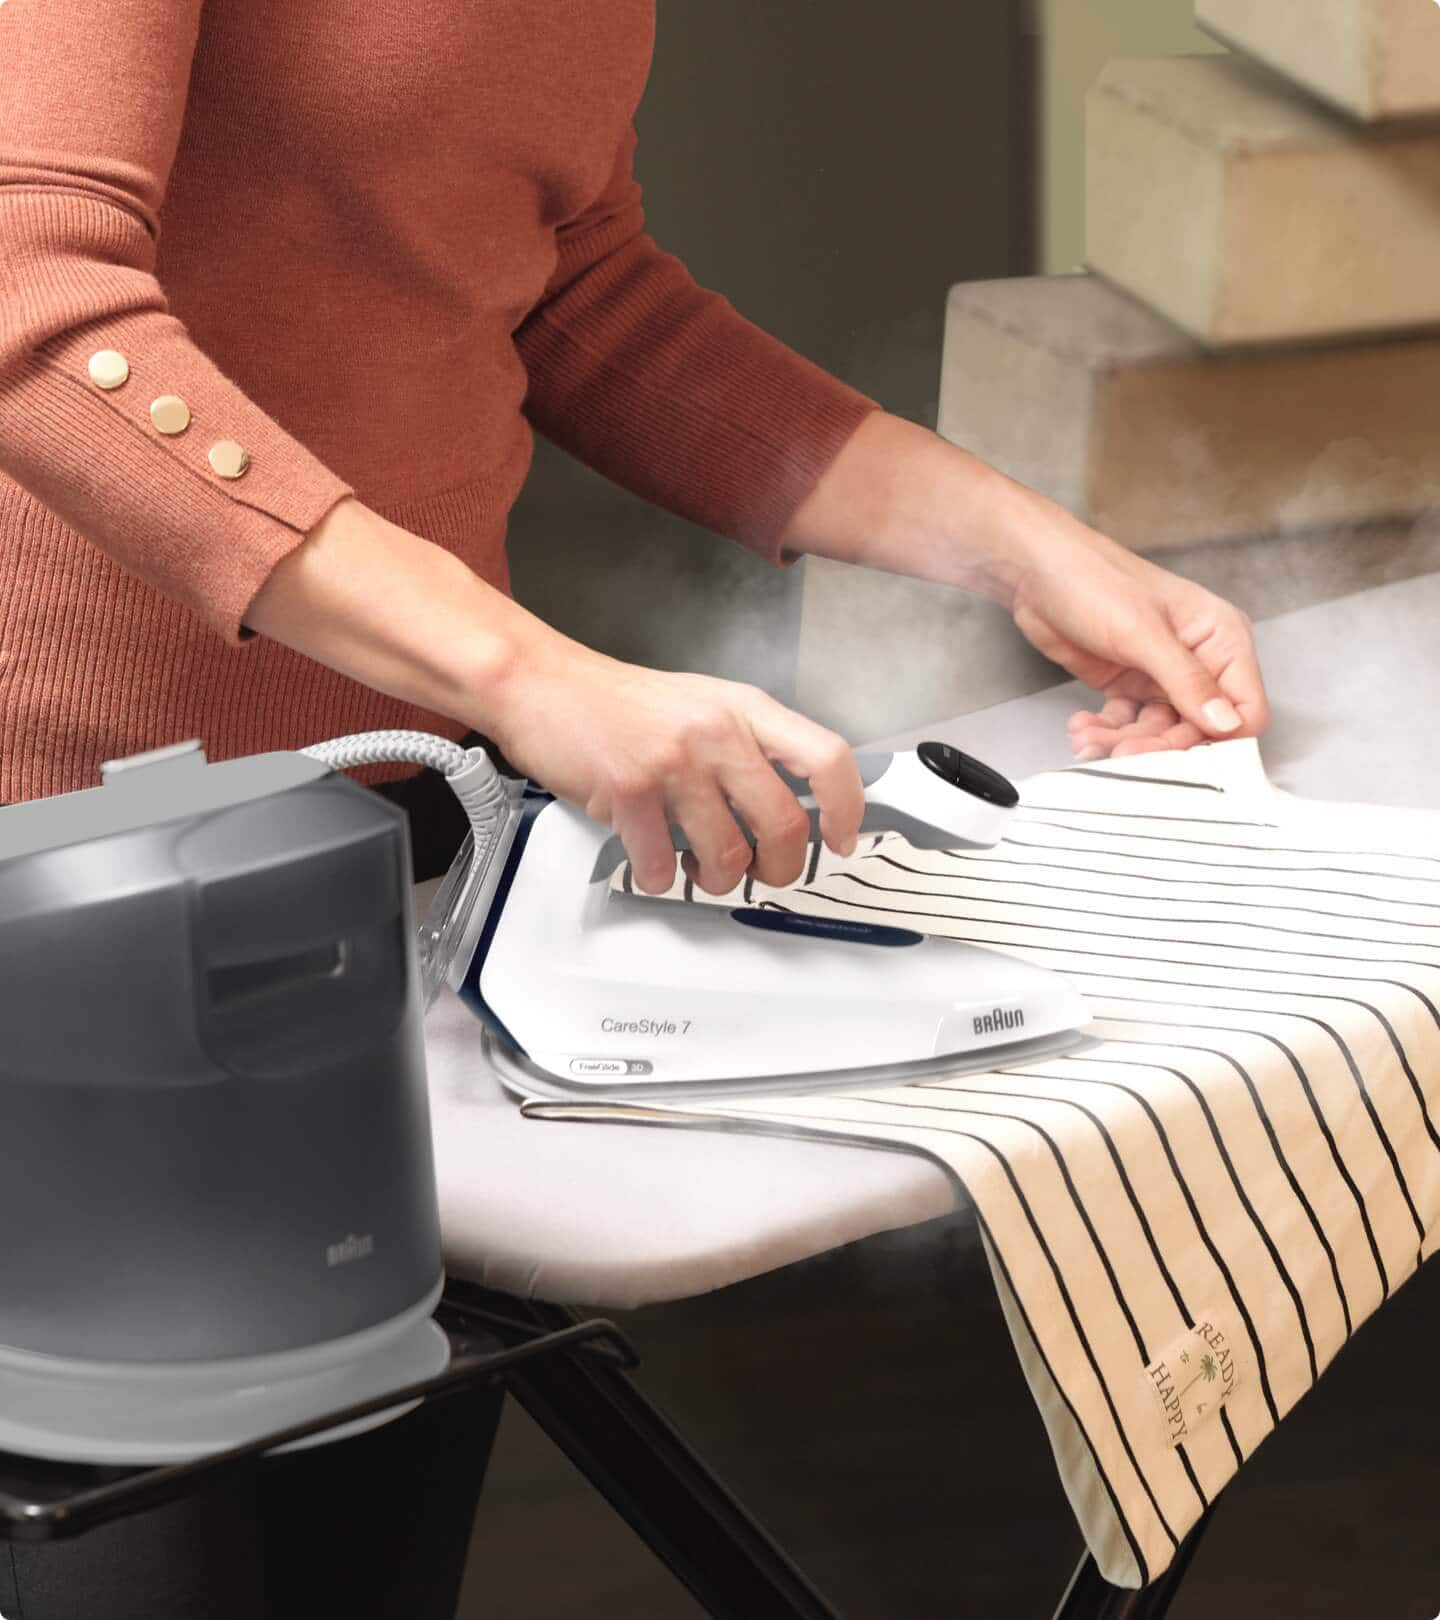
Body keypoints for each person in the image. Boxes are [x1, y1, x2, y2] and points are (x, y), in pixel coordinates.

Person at [0, 1, 1270, 1613]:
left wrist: (1029, 547)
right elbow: (30, 292)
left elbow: (572, 282)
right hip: (66, 856)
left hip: (385, 843)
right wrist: (532, 676)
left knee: (353, 1558)